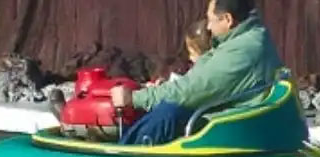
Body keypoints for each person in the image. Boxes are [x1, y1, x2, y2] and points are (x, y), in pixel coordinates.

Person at [111, 0, 283, 145]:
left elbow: (193, 90)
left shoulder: (243, 51)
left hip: (235, 129)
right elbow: (201, 80)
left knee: (168, 113)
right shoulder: (247, 38)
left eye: (211, 20)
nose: (208, 26)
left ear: (227, 20)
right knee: (167, 108)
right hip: (232, 117)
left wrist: (134, 98)